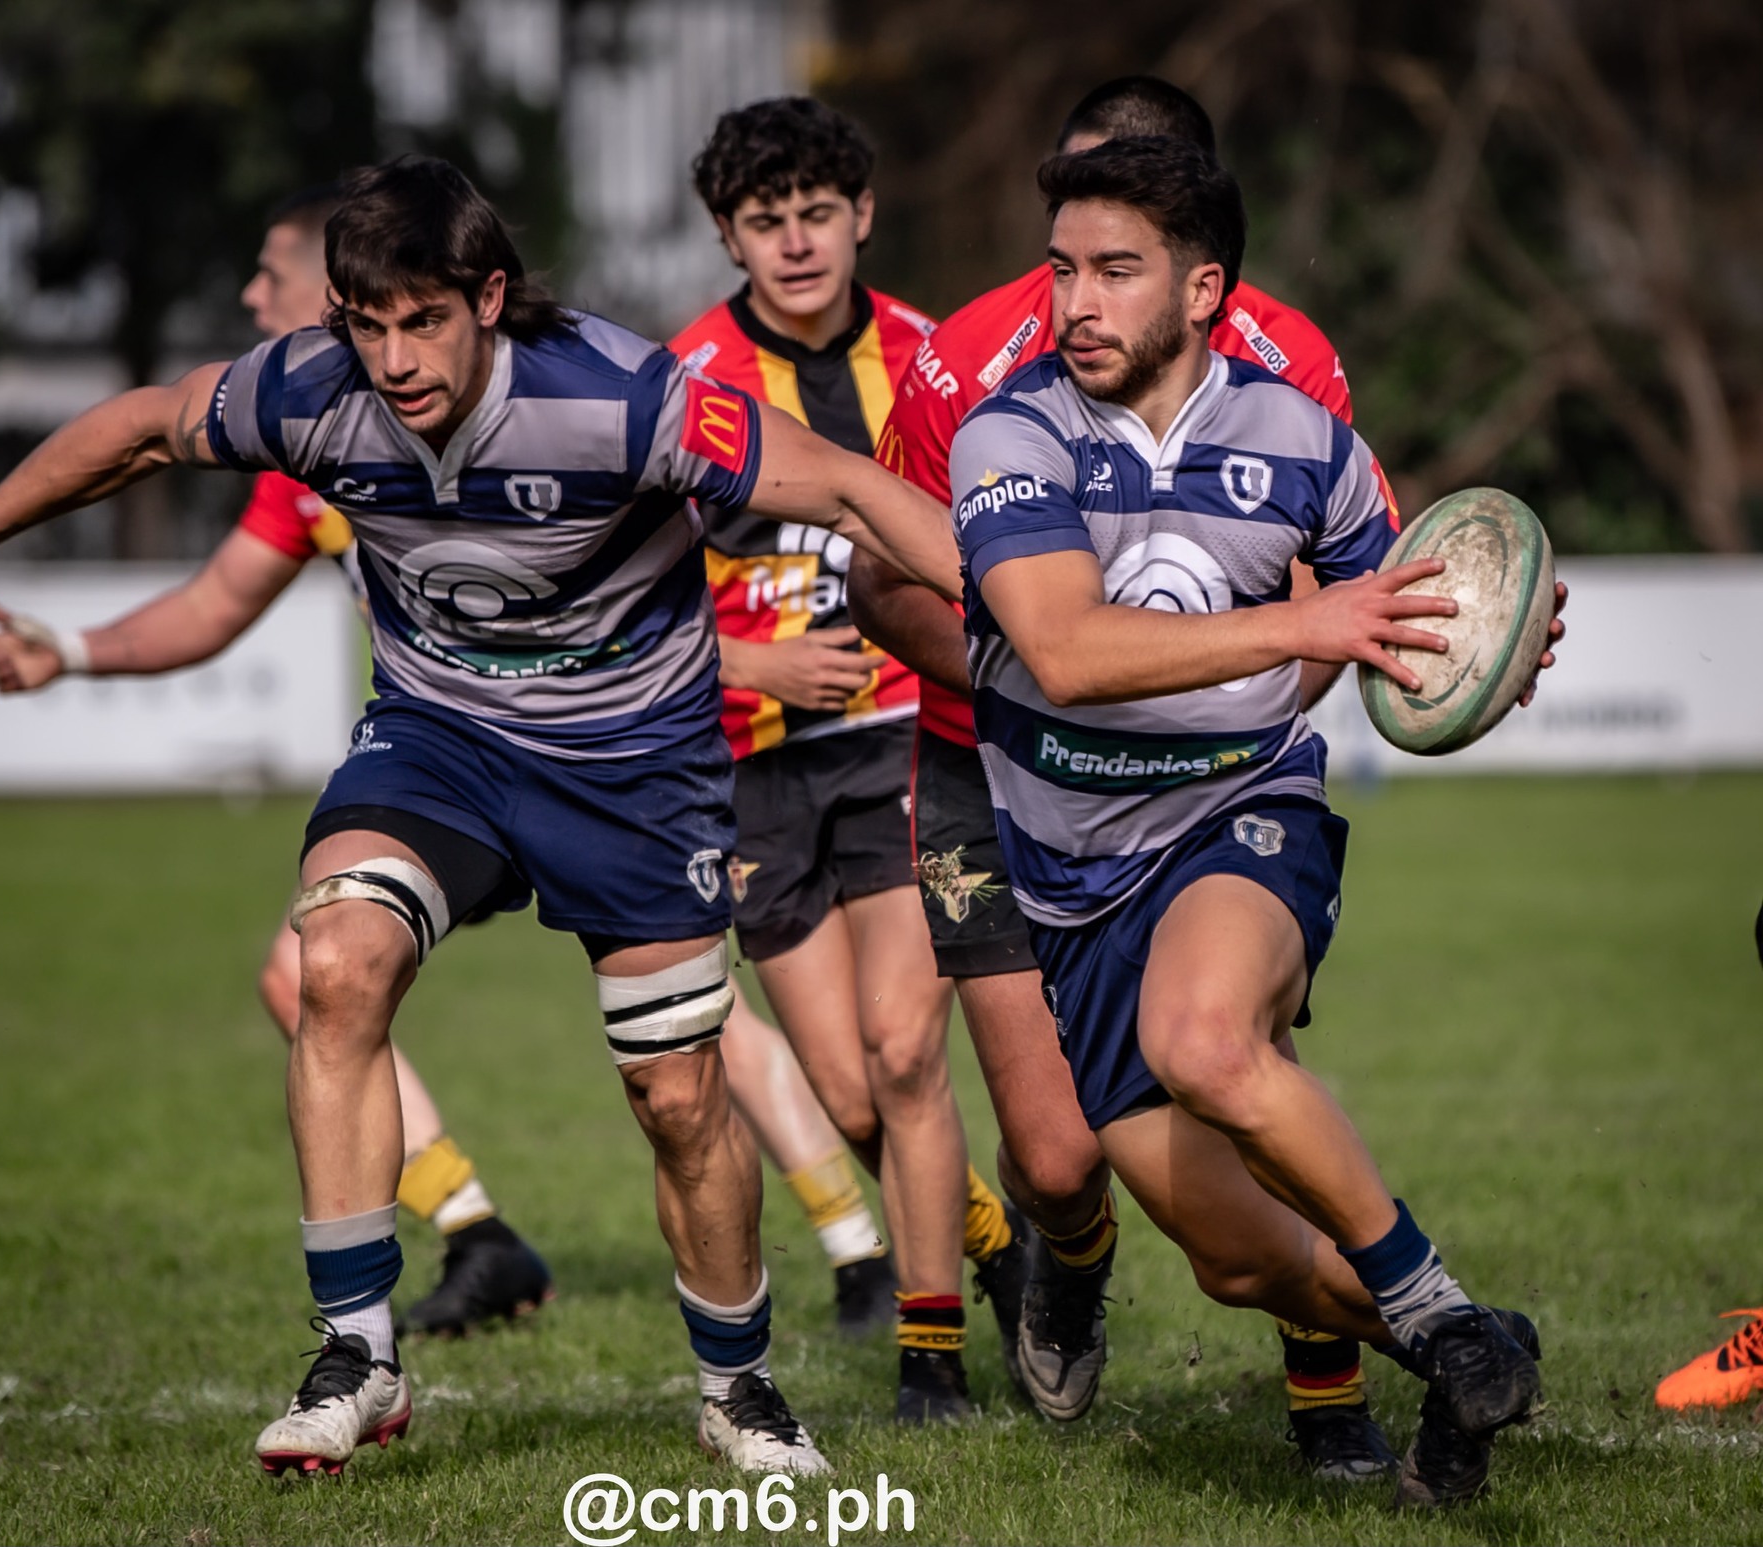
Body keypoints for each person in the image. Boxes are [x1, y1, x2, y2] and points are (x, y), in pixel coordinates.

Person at [0, 155, 963, 1479]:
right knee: (334, 959)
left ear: (489, 297)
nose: (395, 357)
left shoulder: (619, 394)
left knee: (675, 1089)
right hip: (443, 742)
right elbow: (146, 423)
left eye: (423, 320)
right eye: (367, 324)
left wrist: (1026, 624)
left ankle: (737, 1383)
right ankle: (357, 1352)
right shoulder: (311, 386)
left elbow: (841, 483)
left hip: (634, 760)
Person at [939, 132, 1563, 1509]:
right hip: (1071, 883)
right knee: (1242, 1259)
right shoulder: (1010, 432)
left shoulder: (1308, 443)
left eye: (1116, 272)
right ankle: (1467, 1340)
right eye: (1062, 272)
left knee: (1206, 1038)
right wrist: (1307, 618)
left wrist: (1486, 649)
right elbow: (1065, 649)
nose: (1076, 304)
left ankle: (1441, 1311)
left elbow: (1407, 615)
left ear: (1206, 287)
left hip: (1239, 811)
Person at [850, 76, 1398, 1475]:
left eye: (1125, 241)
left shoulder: (1295, 362)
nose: (1080, 283)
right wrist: (1049, 672)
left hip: (1212, 784)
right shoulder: (969, 369)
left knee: (1242, 1070)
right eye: (1068, 242)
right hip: (992, 764)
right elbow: (877, 579)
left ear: (1200, 255)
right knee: (1051, 1152)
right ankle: (1069, 1258)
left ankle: (1332, 1396)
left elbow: (1342, 583)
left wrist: (1240, 702)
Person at [0, 186, 555, 1340]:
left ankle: (889, 1252)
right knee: (310, 967)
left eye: (266, 272)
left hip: (601, 743)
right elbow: (213, 604)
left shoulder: (529, 408)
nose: (251, 296)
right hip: (454, 766)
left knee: (704, 1031)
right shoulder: (313, 446)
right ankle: (474, 1235)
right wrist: (72, 650)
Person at [670, 95, 1026, 1423]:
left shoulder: (939, 362)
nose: (798, 242)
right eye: (768, 222)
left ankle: (929, 1360)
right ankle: (1001, 1244)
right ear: (729, 235)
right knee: (840, 1083)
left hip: (902, 738)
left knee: (900, 1051)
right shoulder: (684, 379)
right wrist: (749, 665)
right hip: (753, 763)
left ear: (863, 215)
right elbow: (632, 603)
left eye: (820, 213)